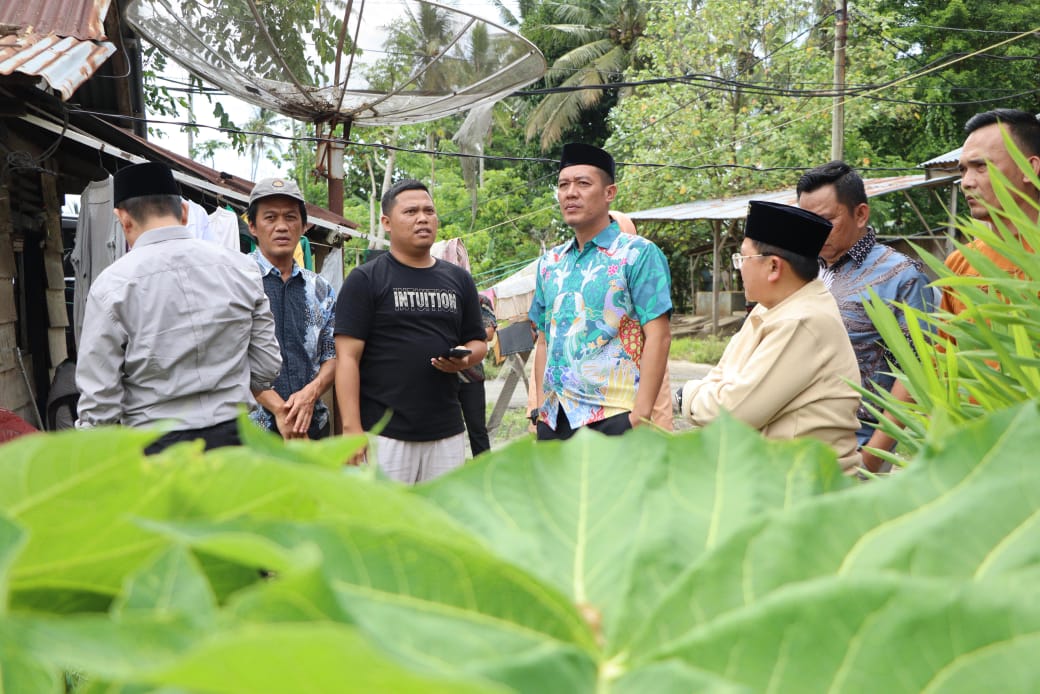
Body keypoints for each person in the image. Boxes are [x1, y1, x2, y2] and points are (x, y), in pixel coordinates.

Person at [860, 109, 1040, 470]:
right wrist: (870, 461)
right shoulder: (962, 265)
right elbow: (935, 367)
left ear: (1030, 167)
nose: (967, 181)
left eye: (981, 166)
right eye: (962, 170)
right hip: (979, 456)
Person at [75, 161, 282, 454]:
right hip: (236, 444)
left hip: (156, 450)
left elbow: (99, 402)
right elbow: (267, 366)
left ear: (123, 219)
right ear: (184, 213)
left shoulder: (112, 285)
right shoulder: (242, 268)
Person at [676, 201, 862, 471]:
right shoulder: (771, 306)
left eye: (742, 258)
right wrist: (709, 393)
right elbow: (722, 374)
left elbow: (732, 412)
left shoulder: (802, 320)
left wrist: (688, 395)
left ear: (774, 267)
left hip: (803, 488)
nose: (739, 268)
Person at [334, 179, 488, 483]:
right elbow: (347, 358)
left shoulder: (458, 280)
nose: (423, 218)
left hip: (446, 431)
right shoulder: (365, 280)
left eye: (429, 211)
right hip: (384, 434)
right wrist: (352, 429)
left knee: (438, 523)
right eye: (411, 211)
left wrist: (465, 359)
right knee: (385, 524)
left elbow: (478, 342)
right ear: (387, 222)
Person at [529, 143, 672, 440]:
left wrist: (640, 415)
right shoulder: (550, 263)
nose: (570, 192)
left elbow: (659, 335)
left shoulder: (637, 254)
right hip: (555, 418)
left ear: (610, 193)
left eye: (583, 183)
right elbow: (544, 339)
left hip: (613, 415)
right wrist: (542, 407)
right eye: (563, 185)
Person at [796, 161, 937, 447]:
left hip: (853, 446)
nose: (814, 233)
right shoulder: (801, 271)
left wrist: (872, 459)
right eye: (807, 223)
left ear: (860, 214)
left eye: (826, 221)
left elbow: (915, 374)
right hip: (794, 441)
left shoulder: (901, 277)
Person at [246, 177, 337, 440]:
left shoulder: (320, 288)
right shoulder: (235, 280)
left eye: (290, 217)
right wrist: (279, 409)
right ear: (252, 225)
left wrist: (310, 394)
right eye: (270, 218)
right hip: (254, 432)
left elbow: (332, 355)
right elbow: (228, 355)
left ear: (304, 225)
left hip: (312, 426)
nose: (282, 227)